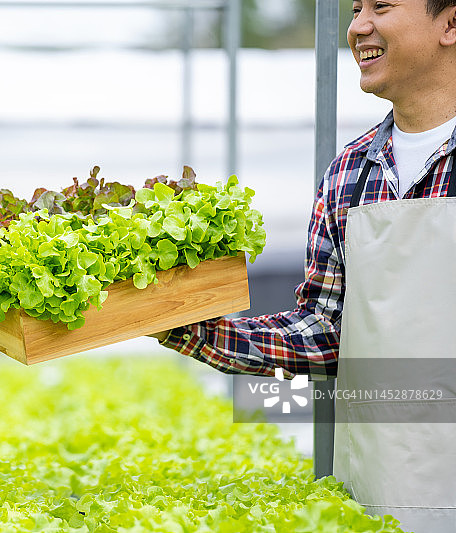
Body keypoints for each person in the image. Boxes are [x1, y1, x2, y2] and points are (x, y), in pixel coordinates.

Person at [149, 1, 456, 531]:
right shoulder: (349, 171)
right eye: (356, 8)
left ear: (450, 23)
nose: (358, 25)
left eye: (381, 6)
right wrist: (174, 319)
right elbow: (322, 329)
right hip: (382, 490)